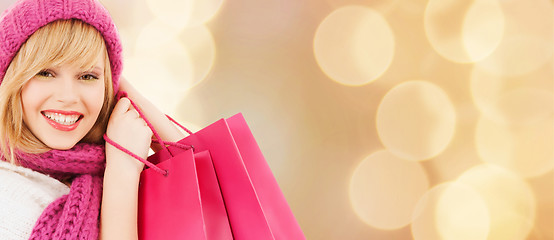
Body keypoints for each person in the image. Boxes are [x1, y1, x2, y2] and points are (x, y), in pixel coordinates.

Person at [0, 0, 184, 239]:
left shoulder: (110, 162)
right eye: (45, 73)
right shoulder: (9, 197)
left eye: (87, 76)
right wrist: (122, 172)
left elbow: (214, 183)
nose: (68, 97)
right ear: (9, 80)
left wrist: (126, 92)